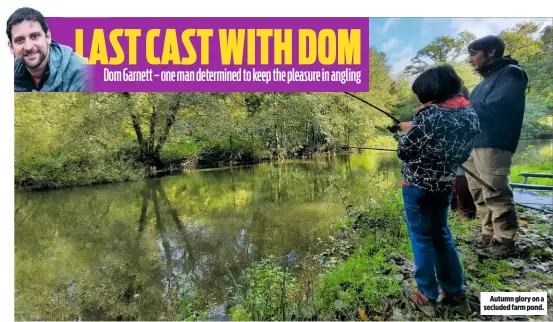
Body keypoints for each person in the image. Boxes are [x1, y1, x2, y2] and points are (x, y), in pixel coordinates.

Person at [392, 64, 480, 317]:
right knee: (442, 235)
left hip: (417, 188)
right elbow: (461, 152)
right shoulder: (468, 113)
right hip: (443, 186)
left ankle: (427, 295)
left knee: (422, 239)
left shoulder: (430, 114)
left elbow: (404, 152)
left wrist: (404, 132)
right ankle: (455, 291)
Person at [463, 35, 528, 259]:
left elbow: (499, 106)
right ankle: (488, 232)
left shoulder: (511, 72)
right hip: (474, 142)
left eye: (473, 53)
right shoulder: (482, 82)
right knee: (478, 191)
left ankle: (505, 240)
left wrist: (462, 111)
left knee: (495, 191)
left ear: (491, 52)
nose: (470, 59)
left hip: (495, 142)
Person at [7, 7, 89, 92]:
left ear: (48, 37)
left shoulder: (82, 73)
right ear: (11, 47)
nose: (28, 47)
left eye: (34, 36)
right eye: (20, 40)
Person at [451, 85, 477, 220]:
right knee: (452, 180)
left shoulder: (469, 109)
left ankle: (468, 211)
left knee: (461, 178)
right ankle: (454, 208)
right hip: (451, 152)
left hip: (466, 152)